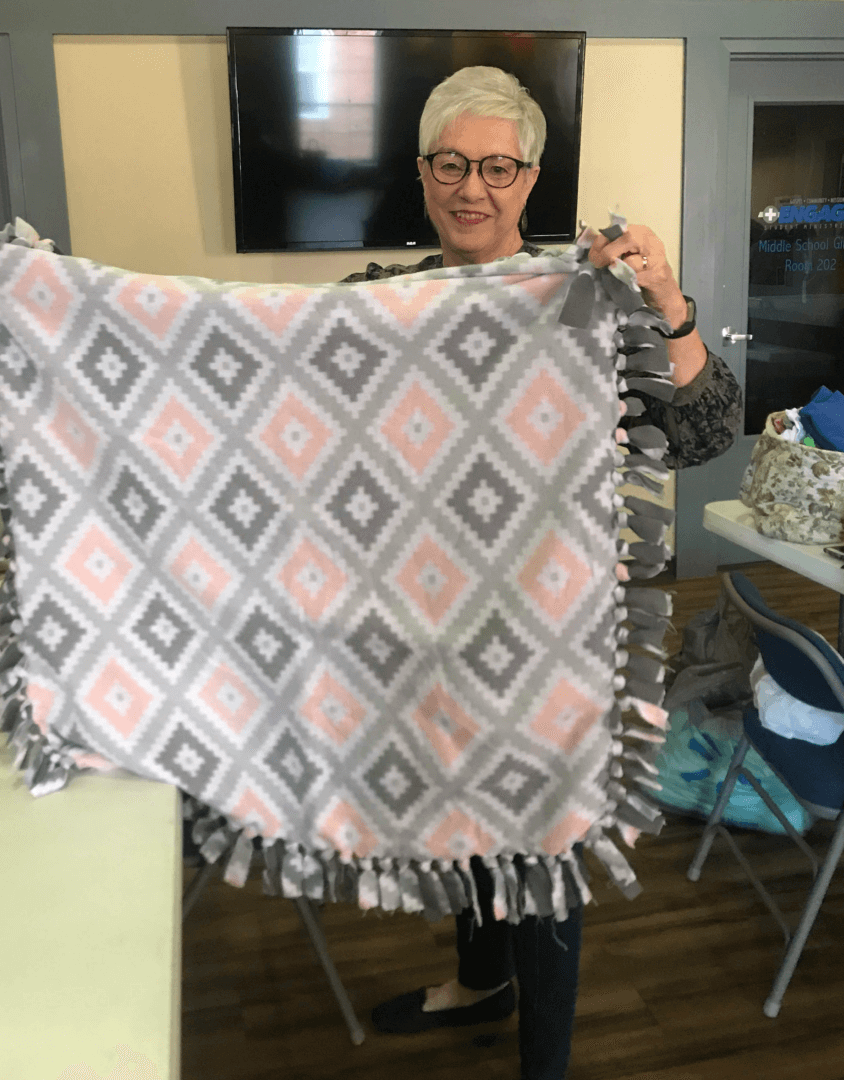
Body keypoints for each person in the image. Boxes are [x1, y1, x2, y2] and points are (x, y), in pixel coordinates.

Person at [342, 66, 742, 1080]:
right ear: (423, 174)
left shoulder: (591, 304)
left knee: (547, 850)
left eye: (497, 166)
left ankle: (544, 1065)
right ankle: (483, 977)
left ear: (530, 178)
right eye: (451, 164)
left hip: (561, 640)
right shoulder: (379, 303)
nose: (471, 186)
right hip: (429, 631)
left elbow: (704, 432)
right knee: (465, 824)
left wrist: (669, 304)